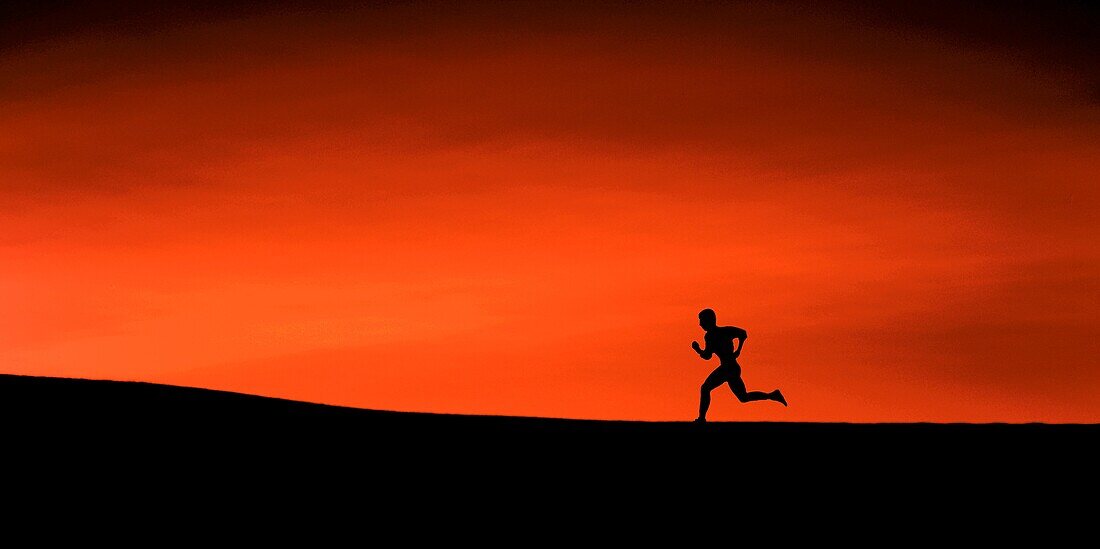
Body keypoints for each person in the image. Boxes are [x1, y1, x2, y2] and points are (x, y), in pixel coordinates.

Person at [691, 308, 786, 422]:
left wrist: (738, 350)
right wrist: (699, 350)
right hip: (731, 368)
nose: (700, 324)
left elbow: (742, 334)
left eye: (701, 320)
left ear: (709, 320)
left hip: (728, 368)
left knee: (705, 388)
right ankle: (772, 395)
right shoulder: (712, 335)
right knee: (743, 397)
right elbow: (708, 355)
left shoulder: (721, 332)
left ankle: (701, 418)